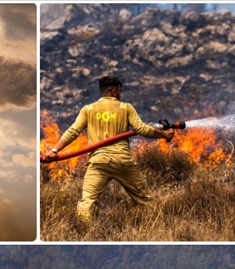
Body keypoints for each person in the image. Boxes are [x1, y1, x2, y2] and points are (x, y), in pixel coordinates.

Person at [44, 75, 175, 221]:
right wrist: (164, 134)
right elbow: (142, 129)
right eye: (120, 91)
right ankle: (157, 225)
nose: (120, 94)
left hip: (99, 162)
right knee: (146, 200)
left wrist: (54, 150)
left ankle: (82, 228)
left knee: (86, 203)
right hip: (123, 162)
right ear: (114, 91)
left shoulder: (88, 109)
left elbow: (73, 131)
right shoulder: (126, 107)